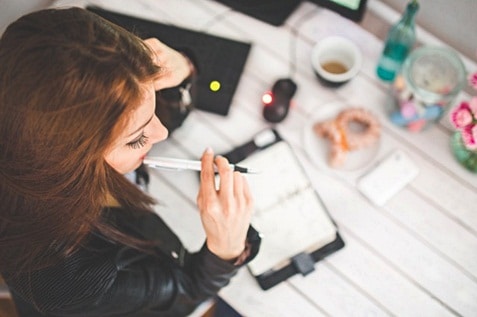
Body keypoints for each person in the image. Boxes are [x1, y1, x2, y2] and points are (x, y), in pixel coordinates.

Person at [0, 7, 260, 317]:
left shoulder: (43, 107)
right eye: (136, 139)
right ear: (71, 161)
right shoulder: (69, 276)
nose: (161, 133)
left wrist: (184, 66)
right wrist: (225, 250)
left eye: (153, 96)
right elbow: (186, 293)